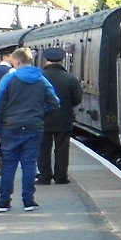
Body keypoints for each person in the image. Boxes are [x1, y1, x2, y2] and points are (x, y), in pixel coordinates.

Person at [0, 47, 60, 213]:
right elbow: (55, 102)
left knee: (8, 165)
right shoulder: (41, 79)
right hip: (33, 127)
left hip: (10, 127)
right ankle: (28, 201)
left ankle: (4, 202)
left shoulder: (8, 79)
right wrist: (39, 112)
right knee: (29, 164)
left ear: (18, 61)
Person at [37, 46, 83, 185]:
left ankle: (45, 177)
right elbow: (77, 99)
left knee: (42, 150)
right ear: (62, 61)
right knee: (62, 149)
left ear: (46, 60)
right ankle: (61, 177)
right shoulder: (70, 78)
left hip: (41, 120)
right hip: (63, 120)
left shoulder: (38, 78)